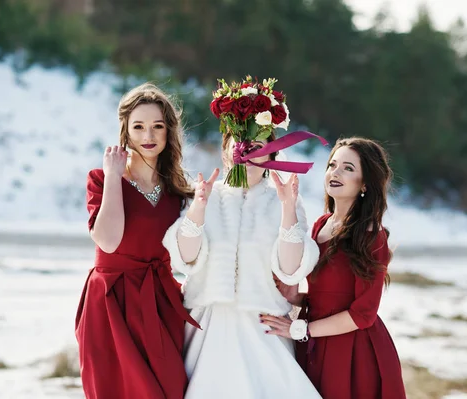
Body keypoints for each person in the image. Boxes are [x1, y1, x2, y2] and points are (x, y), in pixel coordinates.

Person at [162, 132, 322, 398]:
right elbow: (185, 259)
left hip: (264, 326)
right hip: (208, 326)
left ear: (272, 155)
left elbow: (291, 268)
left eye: (257, 146)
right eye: (240, 146)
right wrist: (199, 207)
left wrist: (287, 208)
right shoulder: (204, 193)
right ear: (226, 152)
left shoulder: (286, 201)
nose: (247, 153)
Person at [75, 83, 199, 399]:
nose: (149, 135)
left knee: (169, 389)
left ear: (169, 132)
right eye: (139, 126)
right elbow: (109, 241)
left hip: (160, 301)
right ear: (126, 131)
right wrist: (115, 177)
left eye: (158, 126)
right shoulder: (101, 178)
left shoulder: (177, 189)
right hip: (111, 302)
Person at [261, 137, 407, 399]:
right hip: (315, 344)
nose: (335, 173)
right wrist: (295, 296)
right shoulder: (320, 225)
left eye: (348, 168)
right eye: (332, 165)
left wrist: (301, 330)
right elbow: (325, 294)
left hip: (354, 353)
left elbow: (364, 314)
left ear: (364, 183)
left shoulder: (372, 235)